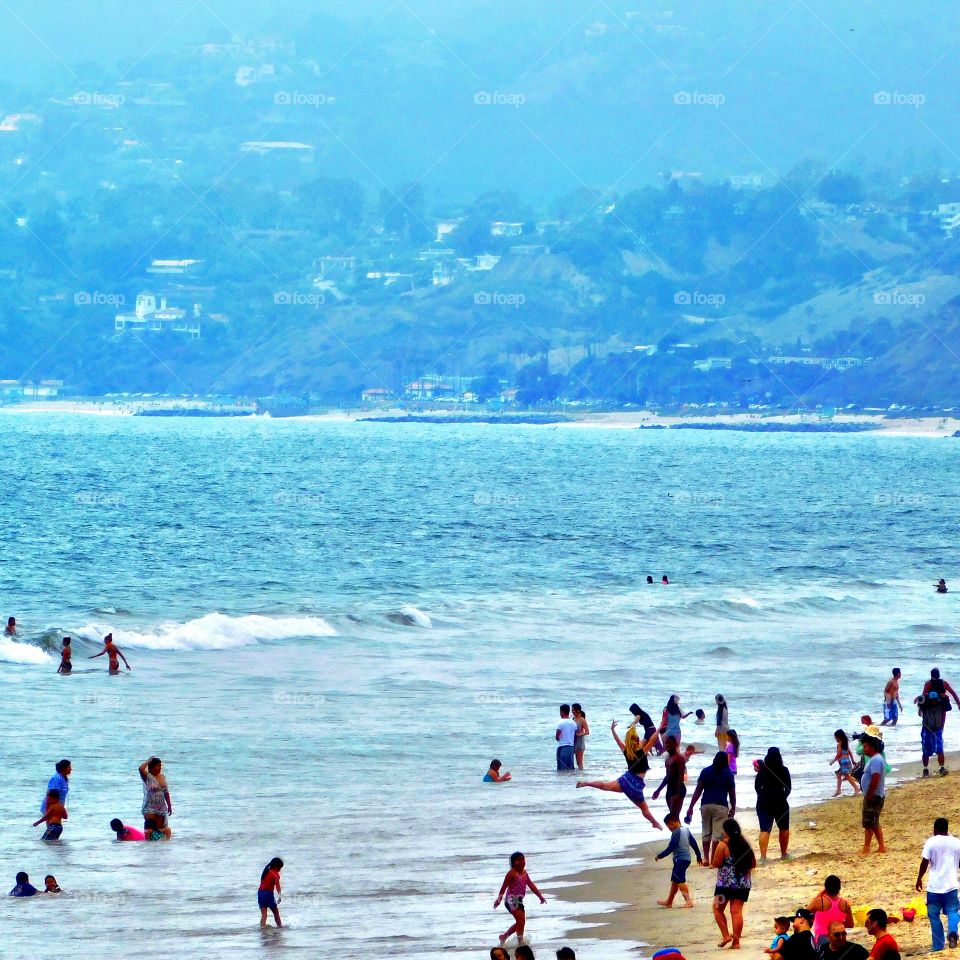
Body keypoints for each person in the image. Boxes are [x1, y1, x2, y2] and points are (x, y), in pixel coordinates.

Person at [577, 720, 663, 829]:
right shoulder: (642, 751)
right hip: (635, 786)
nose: (640, 740)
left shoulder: (626, 751)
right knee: (644, 809)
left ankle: (586, 783)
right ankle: (655, 823)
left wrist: (613, 730)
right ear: (636, 742)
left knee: (604, 785)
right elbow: (652, 740)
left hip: (625, 780)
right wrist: (659, 728)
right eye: (638, 739)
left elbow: (618, 741)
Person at [916, 817, 960, 951]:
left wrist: (919, 878)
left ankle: (938, 946)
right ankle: (952, 933)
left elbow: (925, 862)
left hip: (934, 887)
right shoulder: (957, 842)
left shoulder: (931, 842)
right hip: (951, 885)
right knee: (953, 911)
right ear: (947, 828)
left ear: (935, 829)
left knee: (934, 915)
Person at [711, 818, 755, 950]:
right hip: (742, 884)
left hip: (725, 884)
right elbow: (753, 863)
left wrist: (712, 865)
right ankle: (736, 942)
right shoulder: (744, 844)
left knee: (717, 909)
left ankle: (726, 936)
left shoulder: (723, 845)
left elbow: (717, 863)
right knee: (736, 912)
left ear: (726, 831)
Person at [685, 751, 736, 864]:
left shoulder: (706, 771)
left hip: (706, 805)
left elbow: (698, 790)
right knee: (717, 834)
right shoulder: (729, 774)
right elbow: (732, 792)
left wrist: (691, 807)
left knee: (706, 831)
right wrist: (733, 807)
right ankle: (713, 859)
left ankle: (706, 859)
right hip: (721, 806)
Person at [494, 851, 546, 947]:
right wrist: (499, 900)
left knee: (521, 922)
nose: (522, 862)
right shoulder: (511, 874)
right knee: (521, 921)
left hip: (519, 900)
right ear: (513, 863)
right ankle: (520, 942)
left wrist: (540, 896)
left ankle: (504, 936)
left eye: (523, 859)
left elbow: (531, 885)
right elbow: (503, 888)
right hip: (511, 900)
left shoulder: (525, 873)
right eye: (518, 860)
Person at [655, 815, 703, 908]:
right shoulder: (686, 830)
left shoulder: (676, 832)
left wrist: (660, 856)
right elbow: (693, 843)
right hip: (686, 859)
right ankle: (669, 902)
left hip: (680, 860)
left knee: (680, 880)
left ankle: (688, 901)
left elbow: (672, 846)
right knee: (675, 881)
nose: (669, 829)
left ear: (671, 823)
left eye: (668, 826)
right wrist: (698, 856)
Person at [755, 747, 792, 863]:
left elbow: (757, 787)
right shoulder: (784, 770)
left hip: (764, 802)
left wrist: (763, 796)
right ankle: (784, 854)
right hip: (781, 802)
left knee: (764, 829)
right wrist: (782, 797)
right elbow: (788, 788)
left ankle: (763, 857)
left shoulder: (762, 770)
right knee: (784, 828)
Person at [859, 737, 887, 855]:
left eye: (865, 746)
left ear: (872, 747)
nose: (863, 749)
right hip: (872, 794)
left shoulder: (876, 760)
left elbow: (876, 777)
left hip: (874, 795)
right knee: (869, 822)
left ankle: (878, 846)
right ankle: (868, 846)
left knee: (872, 822)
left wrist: (870, 793)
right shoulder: (874, 759)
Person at [809, 876, 854, 946]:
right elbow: (850, 924)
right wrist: (837, 924)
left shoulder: (820, 902)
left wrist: (819, 895)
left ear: (826, 888)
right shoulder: (845, 904)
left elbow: (805, 913)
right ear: (839, 888)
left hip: (821, 937)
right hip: (839, 937)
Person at [916, 686, 950, 778]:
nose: (934, 702)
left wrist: (946, 697)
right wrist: (923, 696)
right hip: (927, 730)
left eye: (935, 699)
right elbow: (919, 700)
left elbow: (949, 707)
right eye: (932, 700)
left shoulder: (940, 705)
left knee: (940, 749)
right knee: (925, 751)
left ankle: (942, 768)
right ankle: (925, 769)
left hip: (937, 730)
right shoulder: (925, 706)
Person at [652, 735, 687, 819]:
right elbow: (668, 776)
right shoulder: (668, 758)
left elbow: (681, 777)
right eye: (666, 744)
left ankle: (678, 832)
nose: (666, 746)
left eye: (669, 744)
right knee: (672, 816)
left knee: (675, 816)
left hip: (678, 789)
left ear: (675, 744)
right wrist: (658, 790)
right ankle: (676, 831)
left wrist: (677, 795)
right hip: (670, 789)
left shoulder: (679, 758)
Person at [139, 757, 172, 833]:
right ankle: (147, 844)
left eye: (160, 766)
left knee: (160, 832)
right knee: (150, 830)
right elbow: (141, 769)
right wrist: (149, 760)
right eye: (157, 766)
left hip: (161, 807)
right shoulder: (147, 777)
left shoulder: (163, 777)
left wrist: (169, 805)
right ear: (151, 767)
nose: (160, 768)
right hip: (149, 807)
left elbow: (166, 792)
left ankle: (157, 846)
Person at [830, 731, 861, 797]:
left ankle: (856, 788)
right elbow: (850, 753)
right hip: (847, 761)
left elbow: (838, 754)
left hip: (843, 762)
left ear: (839, 737)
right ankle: (838, 790)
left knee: (847, 776)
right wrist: (852, 761)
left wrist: (833, 761)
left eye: (836, 738)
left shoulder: (839, 744)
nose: (835, 739)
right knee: (839, 775)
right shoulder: (845, 744)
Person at [258, 857, 283, 928]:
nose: (280, 870)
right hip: (268, 894)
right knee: (276, 912)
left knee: (264, 915)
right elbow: (277, 886)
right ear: (276, 866)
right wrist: (279, 896)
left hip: (260, 893)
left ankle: (262, 929)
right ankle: (280, 927)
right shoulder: (275, 874)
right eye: (279, 868)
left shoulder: (266, 870)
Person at [556, 704, 578, 771]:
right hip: (571, 747)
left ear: (562, 712)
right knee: (570, 768)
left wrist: (558, 738)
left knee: (561, 769)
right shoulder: (573, 723)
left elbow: (557, 735)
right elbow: (576, 736)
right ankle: (570, 781)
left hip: (562, 747)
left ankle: (562, 781)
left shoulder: (560, 722)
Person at [572, 703, 590, 771]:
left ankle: (581, 776)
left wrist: (580, 734)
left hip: (580, 742)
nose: (572, 712)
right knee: (576, 761)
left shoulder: (582, 719)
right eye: (572, 710)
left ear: (578, 711)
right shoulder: (573, 719)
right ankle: (578, 775)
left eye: (573, 710)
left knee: (579, 762)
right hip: (574, 741)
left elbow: (587, 732)